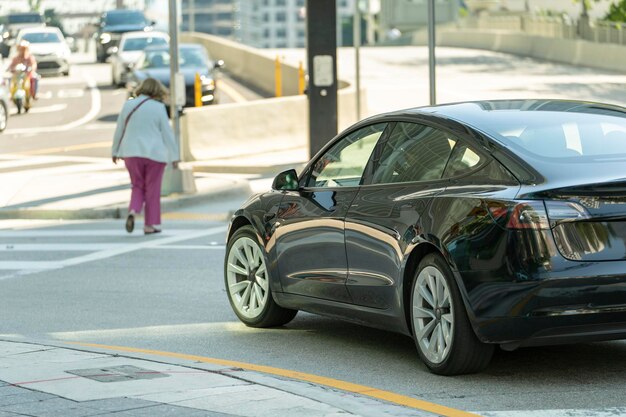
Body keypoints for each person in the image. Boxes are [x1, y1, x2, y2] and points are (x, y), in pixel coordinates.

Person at [112, 78, 180, 235]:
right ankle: (150, 225)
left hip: (131, 153)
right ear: (157, 91)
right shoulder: (158, 107)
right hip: (154, 155)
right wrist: (175, 156)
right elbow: (167, 134)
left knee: (137, 186)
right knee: (152, 190)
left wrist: (115, 151)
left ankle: (133, 210)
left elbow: (119, 130)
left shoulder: (128, 105)